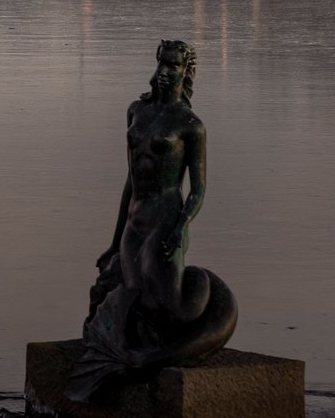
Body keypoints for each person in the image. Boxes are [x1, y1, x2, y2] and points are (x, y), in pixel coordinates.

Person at [68, 40, 237, 401]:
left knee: (173, 309)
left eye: (173, 66)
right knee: (130, 290)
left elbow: (198, 190)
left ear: (185, 72)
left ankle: (168, 341)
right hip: (135, 219)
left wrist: (181, 228)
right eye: (161, 63)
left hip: (165, 218)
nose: (164, 72)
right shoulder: (136, 112)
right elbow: (130, 179)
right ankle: (119, 352)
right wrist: (115, 241)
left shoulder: (191, 126)